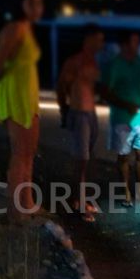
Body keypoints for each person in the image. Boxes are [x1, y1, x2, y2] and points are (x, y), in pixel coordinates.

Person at [0, 0, 45, 224]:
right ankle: (14, 211)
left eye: (39, 3)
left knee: (29, 152)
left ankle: (27, 202)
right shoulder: (15, 28)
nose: (37, 7)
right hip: (16, 97)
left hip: (28, 97)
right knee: (20, 154)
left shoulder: (27, 28)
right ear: (21, 4)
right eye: (31, 2)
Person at [57, 23, 104, 222]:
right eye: (98, 40)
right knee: (82, 160)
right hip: (79, 114)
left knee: (87, 159)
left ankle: (79, 199)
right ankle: (80, 203)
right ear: (88, 39)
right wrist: (65, 109)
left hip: (90, 114)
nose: (101, 44)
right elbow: (62, 86)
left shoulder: (93, 62)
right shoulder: (74, 62)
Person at [101, 31, 140, 206]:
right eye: (134, 42)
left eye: (138, 42)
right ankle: (126, 192)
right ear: (124, 44)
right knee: (124, 156)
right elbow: (106, 92)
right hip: (122, 118)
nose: (137, 45)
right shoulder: (114, 64)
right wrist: (125, 105)